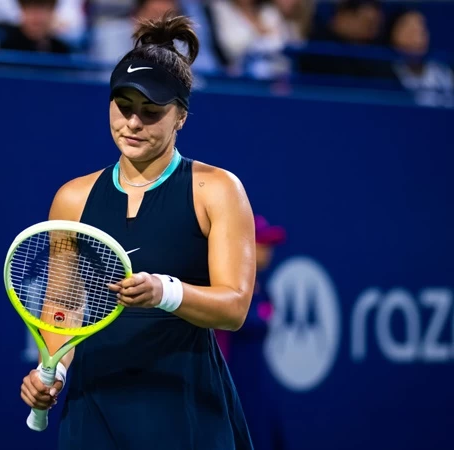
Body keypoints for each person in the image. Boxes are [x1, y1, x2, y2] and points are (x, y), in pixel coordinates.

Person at [19, 12, 257, 450]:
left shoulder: (217, 190)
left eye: (151, 112)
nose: (132, 123)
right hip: (95, 405)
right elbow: (62, 307)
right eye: (123, 107)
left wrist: (165, 291)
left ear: (181, 116)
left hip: (183, 404)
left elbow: (234, 307)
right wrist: (54, 370)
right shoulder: (72, 198)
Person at [216, 214, 287, 450]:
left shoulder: (261, 289)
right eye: (262, 244)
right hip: (232, 386)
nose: (269, 252)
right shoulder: (226, 287)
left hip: (259, 387)